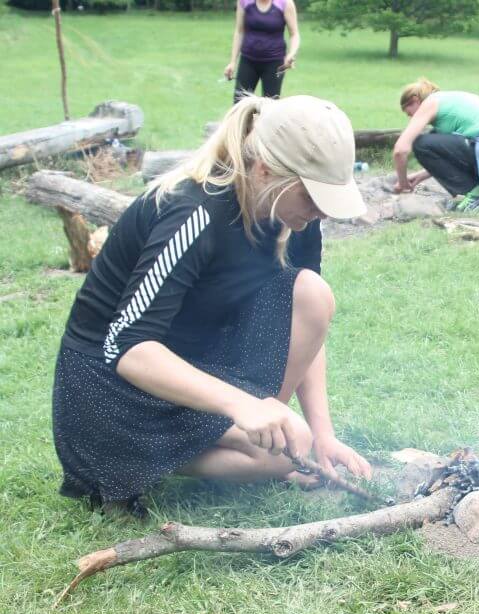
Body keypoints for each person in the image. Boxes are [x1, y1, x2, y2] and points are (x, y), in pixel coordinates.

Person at [52, 95, 373, 518]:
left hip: (195, 360)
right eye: (313, 197)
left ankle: (250, 435)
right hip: (110, 387)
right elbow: (129, 349)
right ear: (265, 171)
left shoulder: (296, 217)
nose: (321, 214)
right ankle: (119, 460)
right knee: (283, 445)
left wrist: (324, 434)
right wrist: (241, 405)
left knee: (312, 295)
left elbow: (306, 318)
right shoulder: (193, 212)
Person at [392, 78, 479, 213]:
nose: (411, 118)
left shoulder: (430, 103)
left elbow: (400, 150)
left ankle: (478, 193)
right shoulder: (447, 101)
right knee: (434, 137)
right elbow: (450, 153)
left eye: (409, 113)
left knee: (420, 143)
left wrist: (403, 184)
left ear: (415, 100)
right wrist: (422, 175)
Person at [223, 0, 300, 103]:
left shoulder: (285, 3)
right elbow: (239, 31)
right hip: (248, 60)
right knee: (239, 103)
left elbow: (294, 34)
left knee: (270, 107)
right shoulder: (244, 2)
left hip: (274, 64)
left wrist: (291, 54)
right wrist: (232, 62)